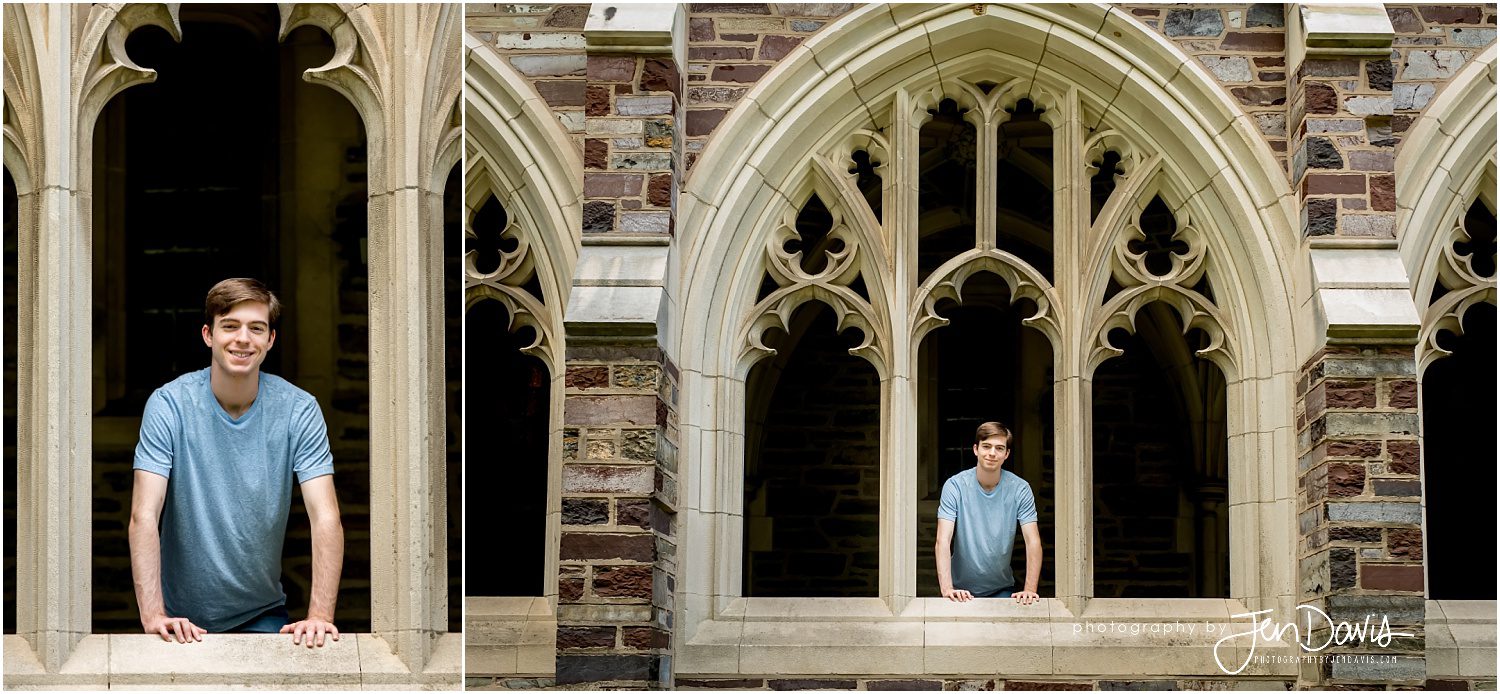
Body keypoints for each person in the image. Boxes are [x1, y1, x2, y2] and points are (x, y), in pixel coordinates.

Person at [128, 278, 344, 647]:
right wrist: (154, 615)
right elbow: (144, 515)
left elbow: (325, 516)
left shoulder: (299, 410)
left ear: (270, 340)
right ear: (208, 335)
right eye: (230, 326)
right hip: (179, 621)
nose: (243, 338)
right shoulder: (169, 405)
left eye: (256, 328)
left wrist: (319, 617)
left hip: (261, 614)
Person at [935, 421, 1042, 604]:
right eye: (986, 446)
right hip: (960, 591)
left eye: (999, 448)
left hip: (1001, 589)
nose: (992, 453)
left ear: (1006, 454)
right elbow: (942, 540)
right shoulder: (955, 486)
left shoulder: (1020, 489)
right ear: (976, 449)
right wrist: (947, 589)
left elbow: (1032, 541)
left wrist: (1029, 590)